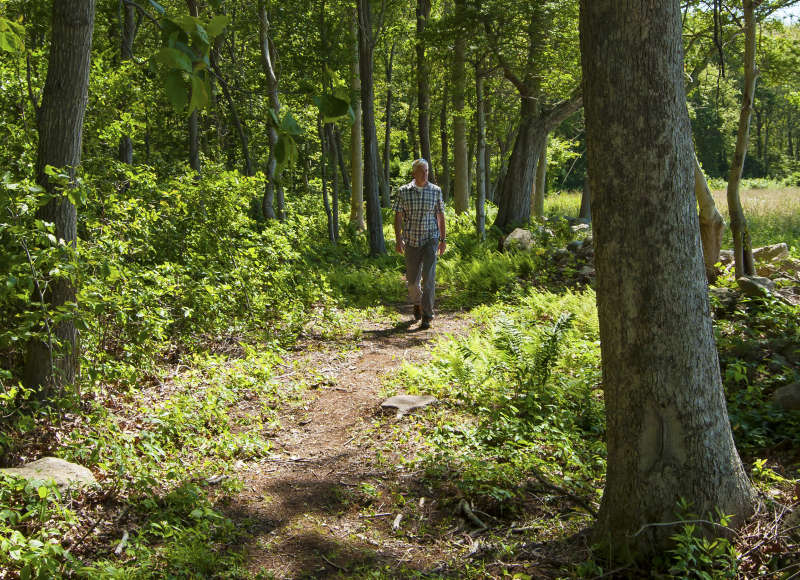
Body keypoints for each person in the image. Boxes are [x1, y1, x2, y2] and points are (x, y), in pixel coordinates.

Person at [392, 158, 446, 329]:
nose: (425, 174)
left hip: (430, 239)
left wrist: (443, 240)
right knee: (413, 281)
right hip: (411, 240)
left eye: (427, 171)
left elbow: (440, 216)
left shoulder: (435, 191)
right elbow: (398, 217)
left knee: (429, 278)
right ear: (414, 173)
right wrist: (398, 239)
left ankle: (427, 315)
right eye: (422, 170)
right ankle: (417, 302)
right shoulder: (403, 191)